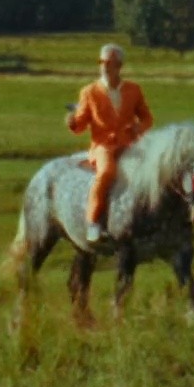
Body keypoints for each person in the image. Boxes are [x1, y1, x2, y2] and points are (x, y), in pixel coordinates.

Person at [65, 43, 153, 243]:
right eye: (102, 62)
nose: (104, 67)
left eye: (109, 63)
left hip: (129, 144)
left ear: (119, 66)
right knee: (107, 173)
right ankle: (93, 222)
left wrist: (139, 128)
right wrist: (73, 122)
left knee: (151, 171)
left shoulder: (133, 90)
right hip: (102, 146)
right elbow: (80, 124)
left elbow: (147, 118)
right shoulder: (89, 92)